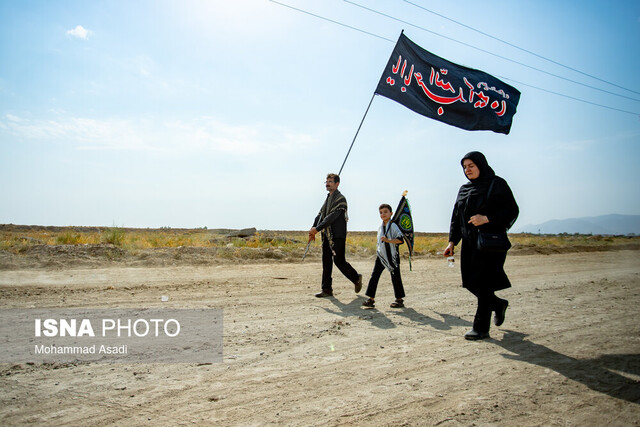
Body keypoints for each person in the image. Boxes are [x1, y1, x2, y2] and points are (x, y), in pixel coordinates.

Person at [443, 151, 519, 340]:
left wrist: (487, 218)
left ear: (481, 165)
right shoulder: (463, 189)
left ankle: (481, 328)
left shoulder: (496, 184)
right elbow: (456, 217)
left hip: (489, 243)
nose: (467, 170)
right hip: (469, 244)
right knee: (469, 282)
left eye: (471, 166)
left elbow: (511, 210)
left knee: (483, 283)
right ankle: (498, 304)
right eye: (465, 167)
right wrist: (452, 241)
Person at [309, 173, 362, 297]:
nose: (327, 184)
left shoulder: (340, 199)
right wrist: (313, 229)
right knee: (326, 261)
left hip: (337, 235)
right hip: (326, 235)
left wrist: (318, 228)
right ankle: (326, 289)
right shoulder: (327, 200)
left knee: (338, 261)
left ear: (337, 184)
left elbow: (332, 217)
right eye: (326, 182)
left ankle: (356, 278)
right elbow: (321, 215)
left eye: (330, 181)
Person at [362, 204, 406, 309]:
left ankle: (399, 300)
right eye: (381, 212)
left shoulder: (394, 226)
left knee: (396, 277)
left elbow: (400, 240)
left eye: (385, 212)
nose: (383, 214)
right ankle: (371, 299)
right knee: (374, 276)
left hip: (392, 256)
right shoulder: (380, 228)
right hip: (382, 256)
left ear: (391, 213)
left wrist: (388, 240)